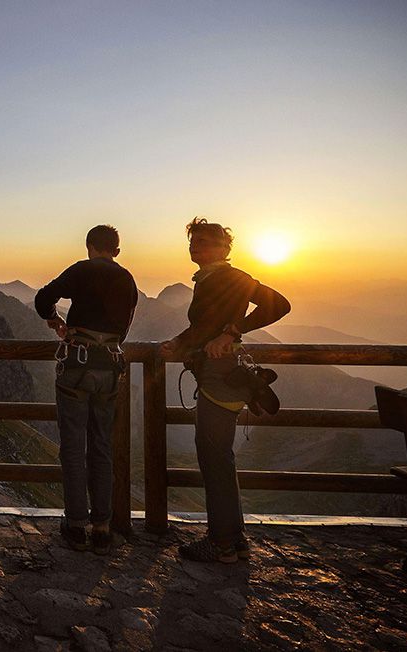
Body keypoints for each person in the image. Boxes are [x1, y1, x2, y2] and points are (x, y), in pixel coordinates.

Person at [162, 218, 290, 563]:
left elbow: (279, 305)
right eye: (192, 241)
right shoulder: (209, 280)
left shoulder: (232, 277)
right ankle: (235, 539)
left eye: (204, 241)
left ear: (224, 248)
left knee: (214, 458)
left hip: (220, 376)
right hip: (215, 373)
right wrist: (179, 341)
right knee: (220, 458)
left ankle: (220, 544)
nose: (195, 246)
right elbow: (203, 326)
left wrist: (233, 331)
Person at [34, 225, 138, 554]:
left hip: (76, 366)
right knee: (102, 446)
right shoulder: (128, 279)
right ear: (117, 251)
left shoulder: (82, 269)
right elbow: (124, 327)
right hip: (110, 369)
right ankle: (102, 528)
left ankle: (76, 525)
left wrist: (55, 320)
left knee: (74, 447)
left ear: (89, 246)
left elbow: (42, 300)